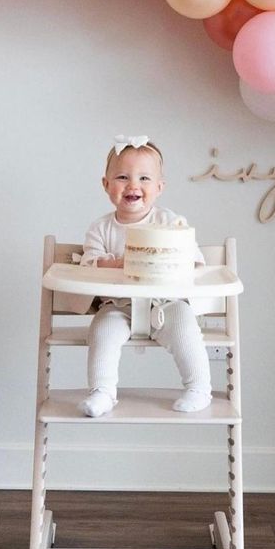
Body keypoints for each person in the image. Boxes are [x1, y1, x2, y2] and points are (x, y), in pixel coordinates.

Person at [78, 135, 212, 417]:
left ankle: (199, 388)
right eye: (123, 177)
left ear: (160, 187)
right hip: (119, 306)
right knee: (102, 332)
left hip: (166, 303)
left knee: (185, 327)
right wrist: (121, 263)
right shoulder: (101, 228)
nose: (133, 185)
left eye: (144, 178)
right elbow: (89, 267)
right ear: (106, 185)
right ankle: (103, 392)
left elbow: (195, 261)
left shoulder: (170, 222)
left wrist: (165, 260)